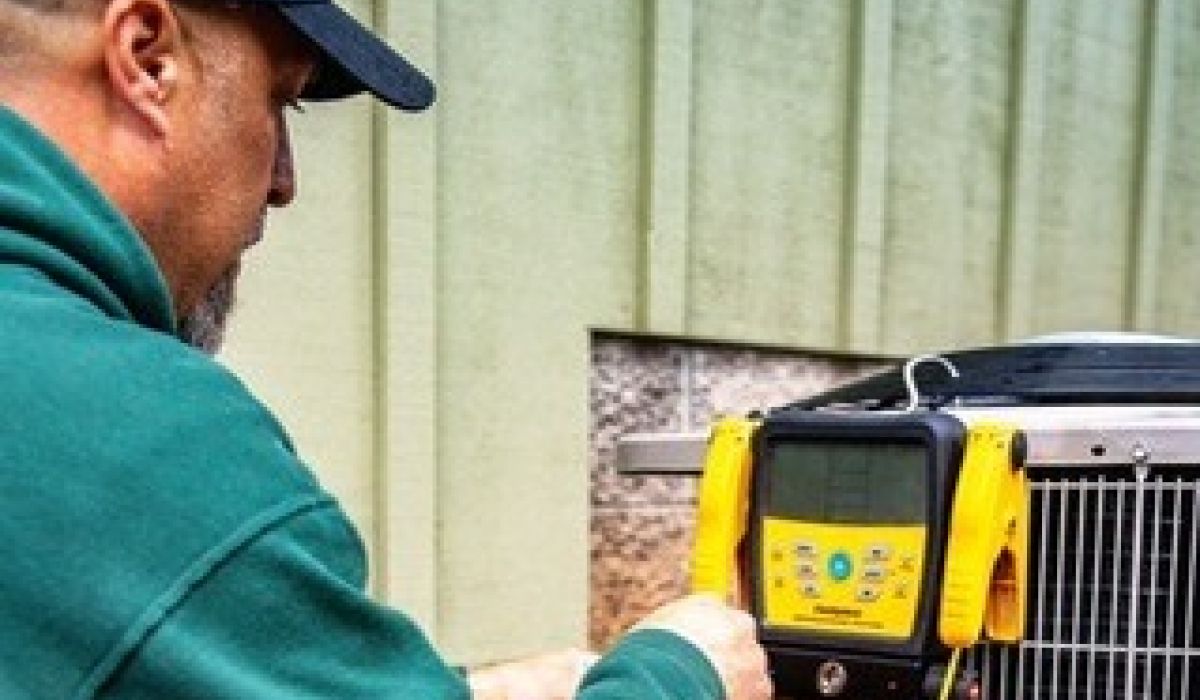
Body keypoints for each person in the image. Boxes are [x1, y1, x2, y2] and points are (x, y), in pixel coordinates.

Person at [0, 0, 774, 698]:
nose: (284, 181)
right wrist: (680, 674)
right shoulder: (134, 439)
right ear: (147, 57)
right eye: (281, 99)